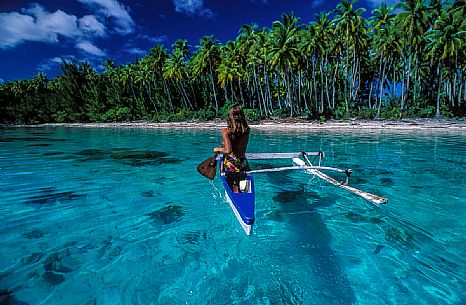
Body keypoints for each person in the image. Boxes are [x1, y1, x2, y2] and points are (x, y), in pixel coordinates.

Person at [214, 104, 250, 192]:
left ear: (229, 117)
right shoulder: (247, 130)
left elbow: (228, 150)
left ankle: (234, 194)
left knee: (233, 187)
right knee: (244, 189)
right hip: (242, 162)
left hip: (231, 164)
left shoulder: (226, 131)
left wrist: (217, 149)